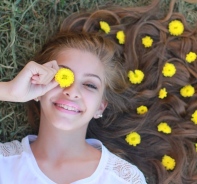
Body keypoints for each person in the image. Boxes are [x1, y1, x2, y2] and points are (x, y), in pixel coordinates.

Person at [0, 30, 147, 183]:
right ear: (37, 86)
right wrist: (9, 91)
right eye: (62, 77)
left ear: (100, 107)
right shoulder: (4, 163)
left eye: (90, 85)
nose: (72, 92)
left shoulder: (124, 179)